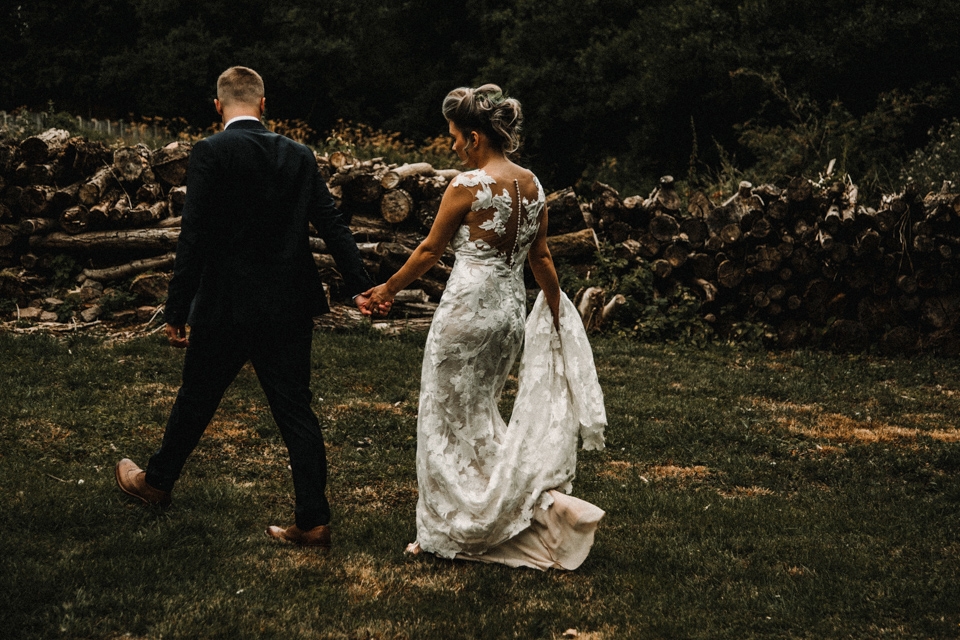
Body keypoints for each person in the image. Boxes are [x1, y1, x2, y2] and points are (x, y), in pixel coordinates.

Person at [115, 66, 381, 549]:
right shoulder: (299, 155)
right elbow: (332, 224)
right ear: (263, 104)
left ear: (218, 106)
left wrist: (177, 309)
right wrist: (360, 286)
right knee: (295, 408)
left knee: (197, 397)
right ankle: (314, 520)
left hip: (224, 304)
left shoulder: (209, 152)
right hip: (287, 305)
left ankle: (154, 484)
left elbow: (193, 237)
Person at [362, 85, 607, 570]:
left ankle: (445, 530)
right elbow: (540, 256)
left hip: (467, 311)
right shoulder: (534, 185)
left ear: (474, 137)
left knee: (443, 417)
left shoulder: (467, 185)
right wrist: (556, 313)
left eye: (454, 137)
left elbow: (430, 251)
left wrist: (385, 289)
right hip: (508, 313)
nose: (452, 146)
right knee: (476, 414)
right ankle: (534, 508)